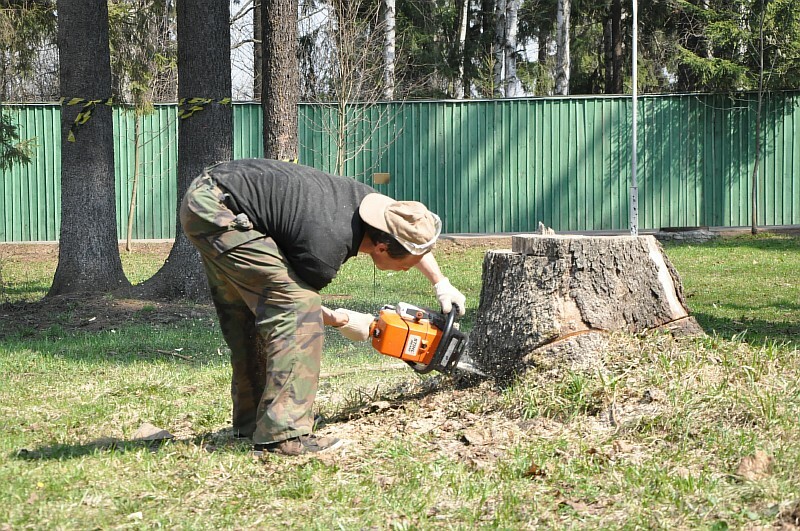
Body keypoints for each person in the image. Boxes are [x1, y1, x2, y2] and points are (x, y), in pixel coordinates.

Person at [179, 158, 466, 456]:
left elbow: (411, 231)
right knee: (296, 310)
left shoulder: (376, 208)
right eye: (407, 264)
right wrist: (346, 320)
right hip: (218, 211)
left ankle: (254, 422)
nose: (408, 269)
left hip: (215, 194)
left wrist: (441, 283)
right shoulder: (324, 249)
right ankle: (283, 434)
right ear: (382, 247)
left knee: (247, 314)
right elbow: (295, 309)